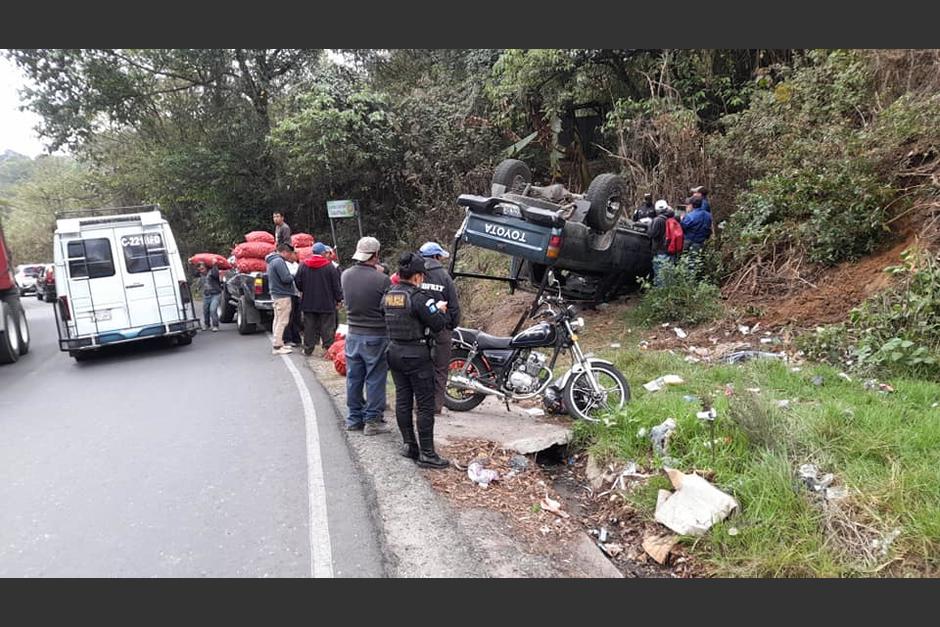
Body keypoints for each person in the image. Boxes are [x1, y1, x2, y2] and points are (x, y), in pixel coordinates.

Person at [383, 252, 450, 468]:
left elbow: (384, 313)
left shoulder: (389, 294)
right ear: (417, 276)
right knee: (424, 404)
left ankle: (409, 445)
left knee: (403, 400)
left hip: (393, 351)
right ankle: (428, 454)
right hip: (416, 354)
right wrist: (438, 309)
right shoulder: (419, 297)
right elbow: (439, 324)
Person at [340, 236, 392, 435]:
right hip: (376, 335)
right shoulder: (382, 279)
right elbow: (386, 308)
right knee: (375, 378)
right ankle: (372, 421)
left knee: (354, 377)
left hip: (352, 333)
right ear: (376, 255)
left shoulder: (345, 275)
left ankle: (354, 418)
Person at [418, 241, 461, 415]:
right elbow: (454, 306)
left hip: (419, 329)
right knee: (441, 369)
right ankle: (435, 407)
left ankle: (419, 404)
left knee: (420, 367)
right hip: (441, 329)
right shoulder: (444, 277)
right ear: (436, 257)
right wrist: (451, 325)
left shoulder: (416, 274)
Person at [295, 242, 343, 356]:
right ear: (322, 253)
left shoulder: (303, 265)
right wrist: (339, 299)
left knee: (309, 327)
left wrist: (304, 290)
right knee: (327, 327)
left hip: (308, 302)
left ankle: (308, 349)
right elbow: (336, 286)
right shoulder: (329, 267)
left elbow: (298, 282)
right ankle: (328, 350)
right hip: (326, 302)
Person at [265, 243, 296, 355]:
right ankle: (277, 346)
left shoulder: (271, 261)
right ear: (284, 252)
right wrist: (293, 275)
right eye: (289, 253)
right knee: (283, 321)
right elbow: (286, 278)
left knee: (277, 319)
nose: (290, 256)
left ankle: (278, 342)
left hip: (276, 294)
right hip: (282, 294)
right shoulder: (279, 262)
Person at [680, 196, 712, 276]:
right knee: (698, 261)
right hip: (701, 242)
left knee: (688, 262)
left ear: (691, 205)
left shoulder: (690, 216)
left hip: (689, 241)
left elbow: (682, 227)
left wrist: (682, 219)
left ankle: (688, 280)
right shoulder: (708, 215)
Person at [283, 253, 303, 347]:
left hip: (297, 294)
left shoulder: (296, 265)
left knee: (296, 317)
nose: (297, 256)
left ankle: (296, 337)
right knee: (289, 317)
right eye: (295, 254)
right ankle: (287, 338)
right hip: (289, 294)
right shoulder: (285, 265)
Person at [649, 201, 670, 287]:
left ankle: (660, 292)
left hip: (660, 250)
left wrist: (648, 227)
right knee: (667, 273)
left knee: (659, 273)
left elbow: (652, 234)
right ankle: (667, 292)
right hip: (669, 249)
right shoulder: (671, 218)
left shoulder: (658, 220)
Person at [197, 261, 222, 332]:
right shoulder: (200, 274)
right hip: (206, 295)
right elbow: (194, 273)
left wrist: (214, 264)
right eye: (200, 269)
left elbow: (216, 274)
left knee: (213, 309)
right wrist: (192, 263)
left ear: (206, 268)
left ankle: (215, 325)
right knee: (206, 310)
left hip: (215, 294)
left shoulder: (212, 273)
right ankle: (207, 324)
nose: (201, 270)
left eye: (203, 268)